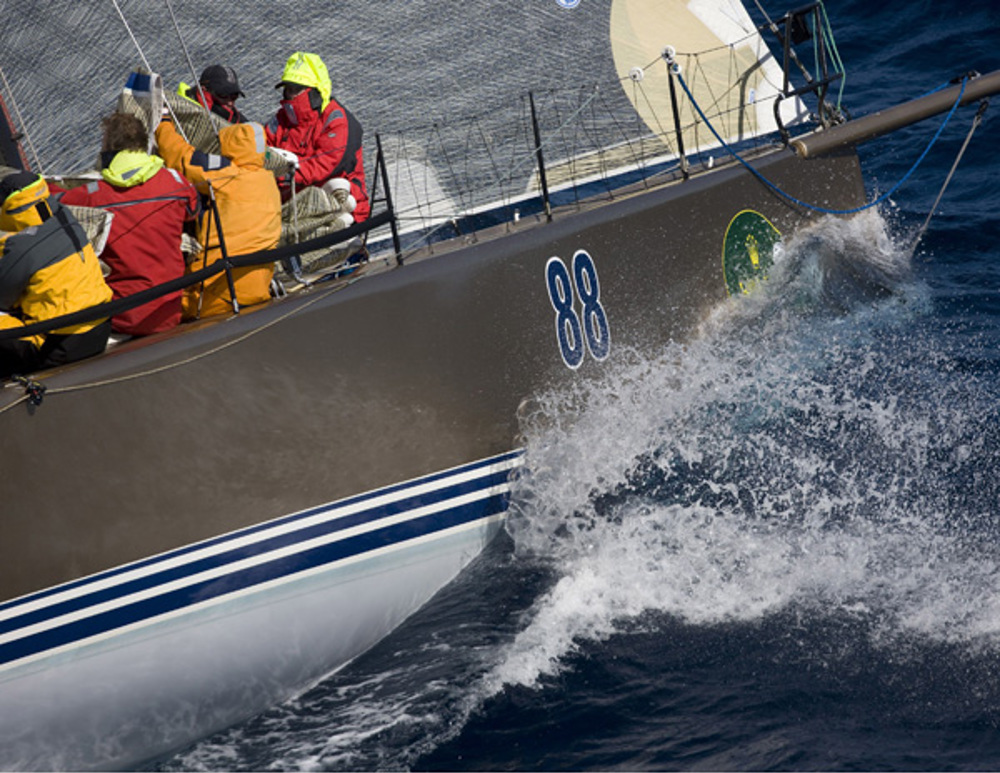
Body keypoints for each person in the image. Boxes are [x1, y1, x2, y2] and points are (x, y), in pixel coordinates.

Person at [54, 112, 199, 337]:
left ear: (110, 152)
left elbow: (54, 202)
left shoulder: (94, 196)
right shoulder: (175, 183)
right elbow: (193, 211)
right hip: (170, 310)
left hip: (122, 317)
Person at [155, 114, 281, 319]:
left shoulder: (226, 174)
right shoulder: (268, 180)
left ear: (232, 146)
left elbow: (181, 158)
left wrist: (163, 124)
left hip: (215, 293)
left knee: (158, 308)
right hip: (258, 288)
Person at [0, 170, 113, 378]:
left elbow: (3, 297)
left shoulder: (21, 246)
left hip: (61, 345)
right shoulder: (63, 214)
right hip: (100, 327)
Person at [266, 51, 370, 222]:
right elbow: (260, 148)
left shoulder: (336, 120)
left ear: (314, 91)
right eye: (288, 89)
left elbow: (323, 165)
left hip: (344, 209)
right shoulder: (279, 121)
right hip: (291, 210)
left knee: (337, 187)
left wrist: (282, 174)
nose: (291, 95)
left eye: (296, 89)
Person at [178, 65, 248, 125]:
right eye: (223, 95)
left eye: (234, 96)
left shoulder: (234, 117)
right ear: (204, 90)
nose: (230, 103)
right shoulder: (183, 111)